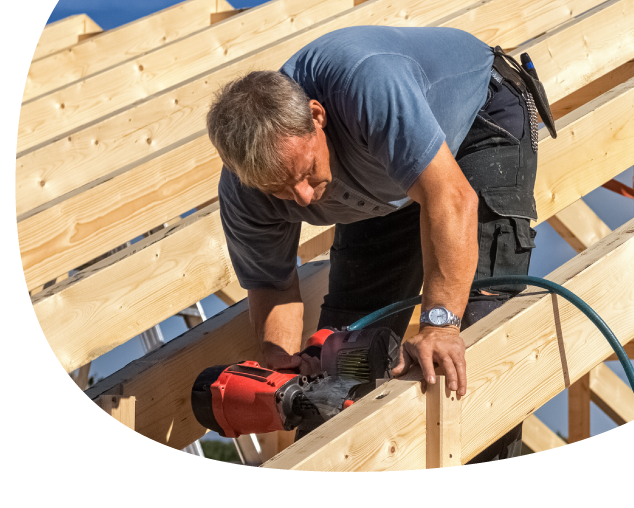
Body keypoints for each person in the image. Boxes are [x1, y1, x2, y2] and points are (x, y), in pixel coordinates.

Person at [207, 26, 539, 462]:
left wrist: (439, 323)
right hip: (382, 184)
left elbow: (451, 197)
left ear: (317, 116)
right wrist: (282, 361)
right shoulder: (243, 191)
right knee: (337, 366)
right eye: (281, 190)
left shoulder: (368, 86)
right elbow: (272, 284)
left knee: (472, 334)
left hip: (477, 121)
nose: (304, 197)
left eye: (305, 172)